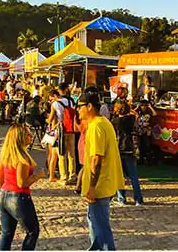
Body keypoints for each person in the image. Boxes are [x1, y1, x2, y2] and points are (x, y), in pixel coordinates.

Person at [78, 90, 124, 251]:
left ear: (89, 106)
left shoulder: (97, 126)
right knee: (96, 223)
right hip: (105, 183)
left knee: (101, 228)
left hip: (99, 186)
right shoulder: (104, 122)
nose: (78, 110)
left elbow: (97, 159)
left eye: (80, 106)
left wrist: (91, 187)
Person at [0, 124, 45, 250]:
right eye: (28, 134)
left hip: (3, 195)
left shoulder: (6, 154)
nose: (31, 136)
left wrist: (1, 192)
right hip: (18, 197)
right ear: (20, 138)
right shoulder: (22, 158)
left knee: (6, 234)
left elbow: (0, 177)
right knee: (33, 231)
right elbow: (21, 183)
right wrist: (37, 176)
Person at [111, 101, 144, 206]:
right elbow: (139, 130)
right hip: (130, 149)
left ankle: (122, 199)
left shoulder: (114, 122)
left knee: (119, 176)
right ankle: (138, 199)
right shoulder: (132, 120)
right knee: (133, 176)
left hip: (118, 149)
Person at [54, 83, 77, 186]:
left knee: (62, 153)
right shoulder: (71, 101)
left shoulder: (56, 103)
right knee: (71, 153)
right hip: (71, 129)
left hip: (61, 129)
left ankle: (64, 176)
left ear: (59, 91)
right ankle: (73, 175)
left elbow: (52, 118)